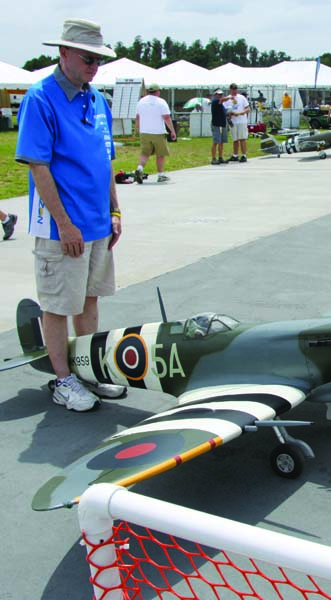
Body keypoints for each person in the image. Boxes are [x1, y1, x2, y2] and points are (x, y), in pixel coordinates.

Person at [15, 18, 124, 412]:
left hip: (97, 224)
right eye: (87, 58)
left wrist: (114, 209)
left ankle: (89, 372)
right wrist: (64, 224)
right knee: (59, 305)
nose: (94, 66)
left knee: (90, 300)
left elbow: (106, 160)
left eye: (99, 59)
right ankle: (63, 380)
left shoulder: (96, 99)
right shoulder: (40, 98)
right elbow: (38, 166)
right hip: (64, 227)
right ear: (63, 53)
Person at [134, 83, 176, 183]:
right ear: (157, 91)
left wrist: (139, 129)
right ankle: (161, 175)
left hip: (144, 132)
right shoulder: (161, 102)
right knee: (160, 154)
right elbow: (166, 117)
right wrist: (172, 131)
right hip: (158, 132)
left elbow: (138, 117)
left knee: (145, 153)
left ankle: (139, 169)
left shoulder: (141, 101)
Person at [224, 84, 249, 163]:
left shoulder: (242, 98)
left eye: (235, 89)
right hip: (233, 121)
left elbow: (248, 108)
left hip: (242, 121)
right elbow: (225, 110)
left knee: (242, 138)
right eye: (233, 89)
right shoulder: (227, 99)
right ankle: (235, 155)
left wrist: (242, 112)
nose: (234, 91)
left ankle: (244, 155)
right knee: (235, 139)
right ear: (230, 90)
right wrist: (229, 114)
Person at [210, 89, 228, 165]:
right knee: (216, 142)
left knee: (221, 142)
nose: (220, 96)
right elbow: (222, 100)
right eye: (218, 94)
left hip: (222, 124)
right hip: (216, 124)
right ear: (215, 95)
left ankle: (220, 157)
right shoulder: (214, 101)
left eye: (221, 94)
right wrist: (230, 97)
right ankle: (213, 158)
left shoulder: (222, 104)